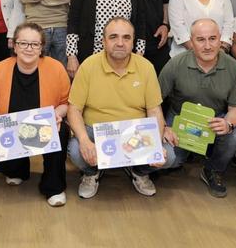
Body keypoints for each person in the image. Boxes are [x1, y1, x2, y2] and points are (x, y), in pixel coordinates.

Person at [66, 17, 166, 199]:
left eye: (126, 38)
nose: (120, 43)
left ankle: (139, 172)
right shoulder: (88, 66)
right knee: (75, 150)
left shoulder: (146, 67)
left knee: (170, 155)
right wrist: (84, 140)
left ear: (133, 42)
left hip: (135, 134)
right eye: (113, 37)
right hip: (96, 132)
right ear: (103, 41)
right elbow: (73, 110)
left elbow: (154, 111)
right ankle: (92, 173)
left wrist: (156, 144)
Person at [0, 23, 71, 207]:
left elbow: (65, 103)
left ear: (41, 48)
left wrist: (56, 114)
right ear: (14, 46)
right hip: (11, 131)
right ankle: (18, 170)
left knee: (61, 131)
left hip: (43, 129)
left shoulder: (56, 68)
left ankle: (53, 187)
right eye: (23, 43)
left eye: (35, 44)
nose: (29, 49)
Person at [159, 19, 236, 198]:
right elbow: (154, 102)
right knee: (169, 160)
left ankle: (213, 169)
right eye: (200, 40)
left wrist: (228, 123)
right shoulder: (175, 64)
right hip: (179, 119)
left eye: (212, 39)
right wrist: (163, 128)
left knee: (234, 136)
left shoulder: (234, 68)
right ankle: (184, 155)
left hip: (215, 119)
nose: (207, 46)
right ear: (191, 40)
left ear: (220, 39)